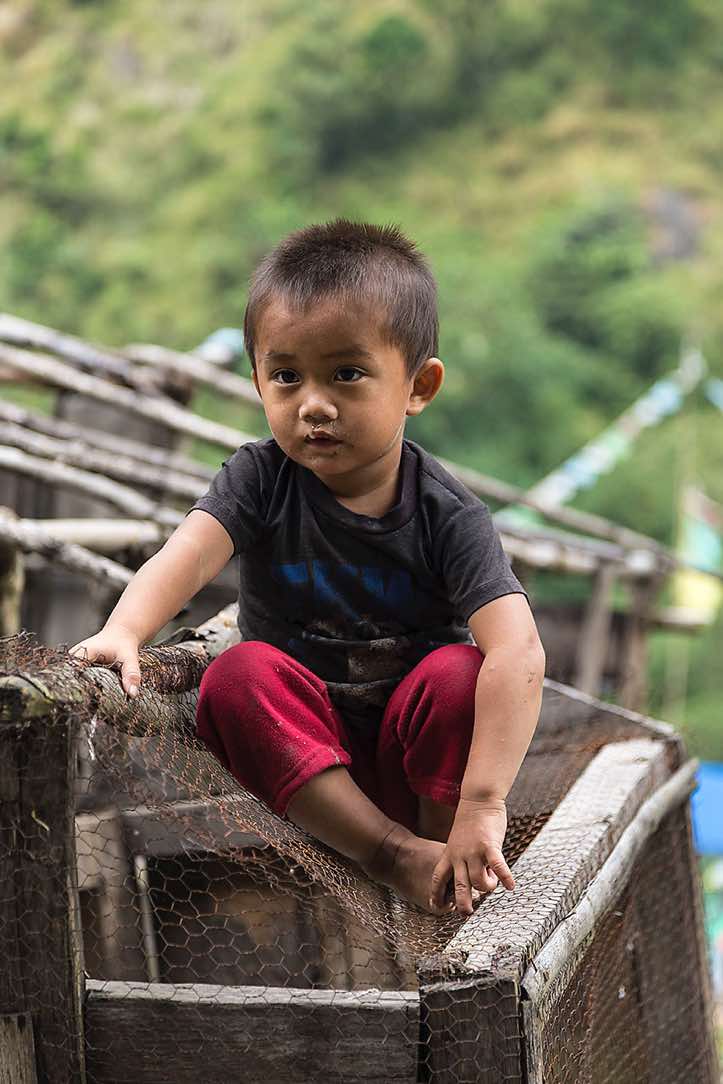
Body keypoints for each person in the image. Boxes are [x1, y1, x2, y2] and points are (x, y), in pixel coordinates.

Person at [70, 219, 545, 917]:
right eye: (286, 376)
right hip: (305, 759)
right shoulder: (260, 478)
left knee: (459, 674)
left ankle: (449, 863)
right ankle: (389, 853)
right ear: (257, 377)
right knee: (236, 674)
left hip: (415, 766)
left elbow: (519, 650)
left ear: (418, 386)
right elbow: (188, 553)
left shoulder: (448, 514)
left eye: (346, 374)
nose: (313, 404)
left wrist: (482, 804)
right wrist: (124, 630)